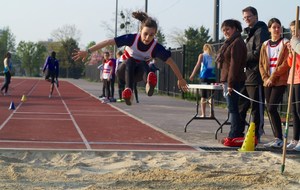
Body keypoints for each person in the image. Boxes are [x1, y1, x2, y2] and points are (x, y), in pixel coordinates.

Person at [72, 11, 188, 105]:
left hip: (138, 74)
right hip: (123, 71)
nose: (148, 38)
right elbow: (108, 42)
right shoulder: (131, 39)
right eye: (145, 34)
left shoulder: (156, 47)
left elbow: (171, 62)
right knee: (131, 60)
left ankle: (149, 86)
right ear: (140, 31)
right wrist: (87, 51)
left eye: (151, 35)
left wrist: (180, 78)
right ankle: (129, 91)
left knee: (144, 64)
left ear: (155, 34)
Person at [239, 6, 270, 142]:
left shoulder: (261, 31)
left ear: (256, 16)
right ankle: (239, 133)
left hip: (257, 76)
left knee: (256, 108)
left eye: (249, 16)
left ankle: (256, 135)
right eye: (244, 17)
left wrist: (243, 56)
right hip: (247, 75)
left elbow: (259, 53)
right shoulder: (249, 33)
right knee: (241, 105)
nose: (246, 19)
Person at [259, 18, 290, 148]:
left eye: (279, 27)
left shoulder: (285, 43)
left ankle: (280, 138)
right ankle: (277, 137)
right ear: (269, 29)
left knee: (272, 107)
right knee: (270, 109)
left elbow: (286, 63)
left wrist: (273, 77)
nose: (277, 29)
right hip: (268, 81)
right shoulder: (265, 44)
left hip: (279, 80)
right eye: (274, 27)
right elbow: (261, 63)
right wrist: (266, 78)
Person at [216, 19, 247, 147]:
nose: (226, 32)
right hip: (227, 80)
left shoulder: (237, 43)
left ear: (235, 28)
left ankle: (234, 134)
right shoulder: (228, 43)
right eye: (223, 30)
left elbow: (234, 65)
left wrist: (230, 84)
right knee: (233, 109)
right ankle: (236, 134)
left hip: (234, 81)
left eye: (228, 29)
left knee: (233, 109)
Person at [189, 43, 216, 117]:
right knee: (211, 96)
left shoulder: (202, 55)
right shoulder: (213, 56)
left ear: (204, 49)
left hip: (204, 77)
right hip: (212, 78)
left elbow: (197, 65)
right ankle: (211, 113)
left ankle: (203, 114)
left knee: (203, 96)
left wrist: (192, 75)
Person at [286, 20, 300, 151]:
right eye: (291, 31)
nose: (293, 33)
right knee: (294, 112)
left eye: (295, 30)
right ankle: (295, 138)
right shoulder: (294, 43)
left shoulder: (298, 43)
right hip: (293, 78)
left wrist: (295, 45)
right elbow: (291, 63)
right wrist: (290, 52)